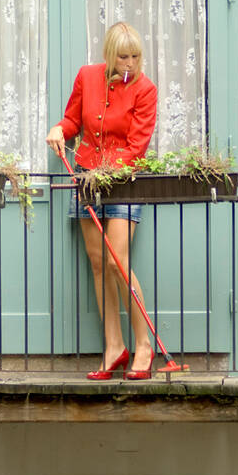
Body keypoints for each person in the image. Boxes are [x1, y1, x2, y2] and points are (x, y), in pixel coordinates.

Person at [46, 22, 158, 380]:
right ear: (109, 55)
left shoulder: (146, 90)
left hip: (123, 182)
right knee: (97, 263)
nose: (129, 64)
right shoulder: (87, 76)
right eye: (122, 57)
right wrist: (58, 131)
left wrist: (106, 172)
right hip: (86, 180)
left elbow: (137, 148)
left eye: (135, 56)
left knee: (116, 263)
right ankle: (114, 347)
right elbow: (72, 121)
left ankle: (144, 346)